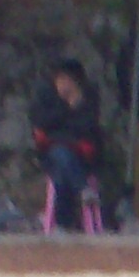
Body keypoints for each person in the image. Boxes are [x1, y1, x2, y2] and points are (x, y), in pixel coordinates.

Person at [29, 58, 105, 229]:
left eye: (68, 79)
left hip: (83, 154)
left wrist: (65, 127)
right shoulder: (46, 95)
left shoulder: (88, 96)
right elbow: (41, 123)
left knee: (61, 170)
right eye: (60, 79)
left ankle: (63, 223)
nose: (64, 83)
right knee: (60, 155)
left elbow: (88, 127)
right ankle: (83, 189)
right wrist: (66, 107)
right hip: (52, 152)